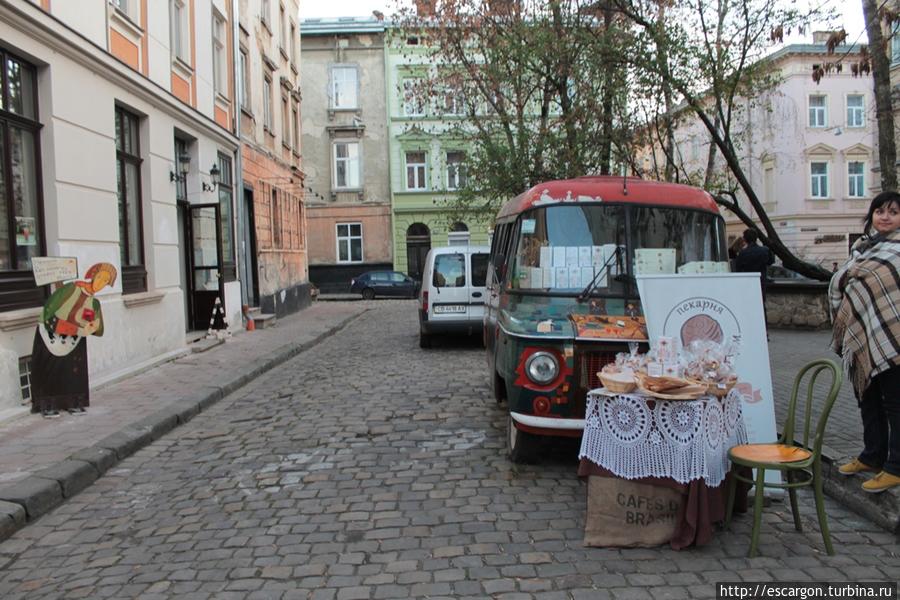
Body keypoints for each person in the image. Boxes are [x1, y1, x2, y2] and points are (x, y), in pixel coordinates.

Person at [829, 191, 900, 493]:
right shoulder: (862, 248)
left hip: (893, 339)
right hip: (863, 340)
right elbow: (844, 283)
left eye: (894, 212)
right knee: (867, 399)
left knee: (895, 405)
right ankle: (872, 455)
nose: (885, 216)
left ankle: (895, 466)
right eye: (880, 210)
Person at [30, 263, 117, 417]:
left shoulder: (94, 303)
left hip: (74, 340)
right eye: (100, 277)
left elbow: (98, 329)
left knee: (73, 373)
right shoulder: (70, 289)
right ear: (93, 275)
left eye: (105, 281)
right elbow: (49, 315)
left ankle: (73, 402)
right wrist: (77, 329)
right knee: (50, 370)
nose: (101, 283)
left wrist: (93, 326)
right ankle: (48, 404)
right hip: (51, 335)